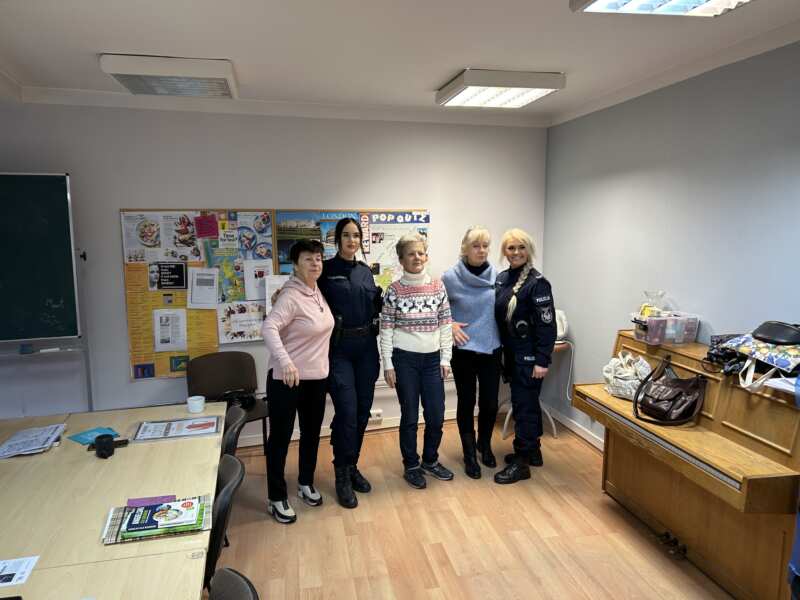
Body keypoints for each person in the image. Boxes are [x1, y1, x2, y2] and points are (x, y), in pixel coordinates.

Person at [262, 239, 334, 524]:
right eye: (308, 259)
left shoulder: (317, 291)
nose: (315, 263)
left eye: (318, 258)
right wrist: (286, 361)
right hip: (287, 380)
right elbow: (269, 327)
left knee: (311, 434)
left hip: (316, 379)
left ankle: (305, 482)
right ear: (295, 264)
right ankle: (276, 497)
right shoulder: (290, 296)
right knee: (280, 438)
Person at [380, 233, 454, 489]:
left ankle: (430, 461)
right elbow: (386, 329)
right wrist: (388, 364)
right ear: (401, 260)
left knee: (436, 415)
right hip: (404, 361)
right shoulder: (394, 291)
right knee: (410, 415)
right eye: (411, 253)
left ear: (426, 256)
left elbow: (446, 325)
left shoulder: (438, 287)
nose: (417, 257)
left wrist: (446, 358)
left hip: (433, 361)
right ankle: (411, 465)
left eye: (421, 253)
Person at [317, 218, 382, 509]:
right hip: (339, 350)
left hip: (367, 348)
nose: (352, 240)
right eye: (346, 235)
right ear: (337, 239)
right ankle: (341, 473)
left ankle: (352, 464)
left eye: (356, 235)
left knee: (362, 412)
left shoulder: (366, 272)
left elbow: (375, 307)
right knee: (347, 412)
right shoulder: (325, 270)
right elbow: (307, 297)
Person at [493, 228, 557, 485]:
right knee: (526, 403)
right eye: (511, 248)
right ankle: (534, 452)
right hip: (511, 355)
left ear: (528, 250)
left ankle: (521, 463)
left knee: (524, 407)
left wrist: (542, 360)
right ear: (504, 251)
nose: (516, 252)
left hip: (529, 358)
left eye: (521, 247)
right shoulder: (502, 279)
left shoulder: (537, 283)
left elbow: (547, 325)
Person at [441, 226, 502, 479]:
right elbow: (438, 310)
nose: (481, 250)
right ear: (465, 248)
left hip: (491, 348)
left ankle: (484, 445)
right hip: (463, 349)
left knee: (490, 403)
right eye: (476, 245)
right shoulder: (450, 277)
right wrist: (450, 324)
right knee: (466, 402)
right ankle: (468, 453)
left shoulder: (497, 276)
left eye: (485, 245)